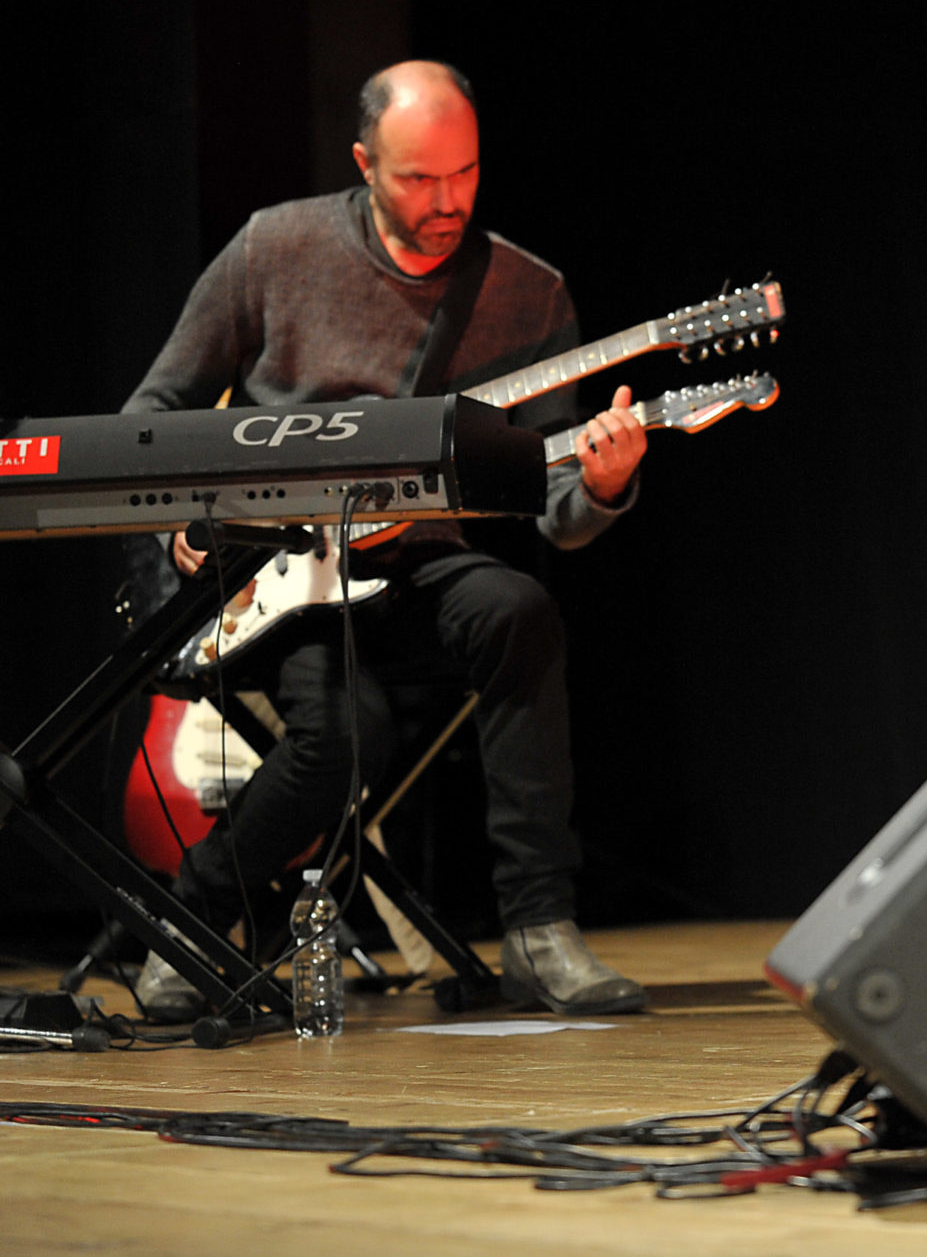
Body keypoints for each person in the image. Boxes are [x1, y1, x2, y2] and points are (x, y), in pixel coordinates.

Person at [124, 60, 651, 1019]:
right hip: (282, 580)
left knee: (518, 608)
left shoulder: (530, 293)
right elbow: (155, 411)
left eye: (466, 174)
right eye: (418, 178)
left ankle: (538, 929)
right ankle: (194, 918)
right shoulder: (274, 249)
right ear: (365, 163)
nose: (447, 201)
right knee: (345, 734)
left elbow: (558, 509)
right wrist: (179, 529)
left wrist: (605, 484)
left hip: (421, 569)